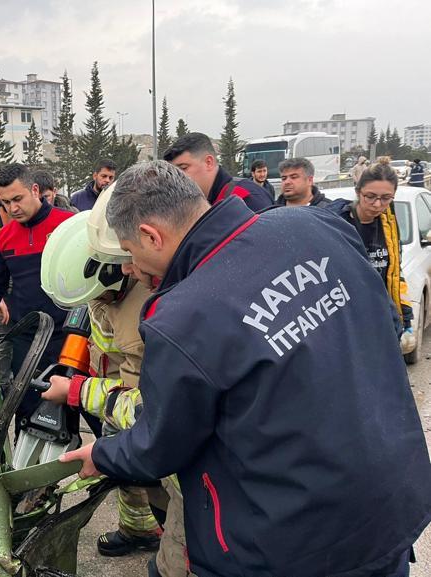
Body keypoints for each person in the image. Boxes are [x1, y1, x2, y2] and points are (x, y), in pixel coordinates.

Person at [61, 160, 431, 577]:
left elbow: (160, 444)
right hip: (390, 505)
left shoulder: (181, 318)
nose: (128, 268)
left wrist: (105, 452)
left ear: (151, 235)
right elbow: (382, 323)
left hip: (289, 546)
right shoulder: (314, 226)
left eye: (129, 252)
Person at [41, 197, 187, 575]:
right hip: (113, 396)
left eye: (95, 297)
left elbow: (150, 410)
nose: (93, 306)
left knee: (169, 500)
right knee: (129, 478)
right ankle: (139, 529)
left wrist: (77, 392)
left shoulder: (150, 313)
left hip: (144, 420)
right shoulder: (103, 297)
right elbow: (103, 343)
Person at [0, 163, 74, 426]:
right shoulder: (4, 237)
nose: (12, 209)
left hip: (67, 334)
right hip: (27, 336)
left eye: (18, 199)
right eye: (5, 202)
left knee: (78, 407)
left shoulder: (67, 225)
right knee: (27, 409)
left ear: (35, 190)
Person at [328, 163, 415, 352]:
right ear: (358, 192)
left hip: (380, 318)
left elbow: (394, 272)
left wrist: (405, 317)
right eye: (370, 197)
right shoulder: (337, 225)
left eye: (386, 198)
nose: (377, 204)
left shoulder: (389, 225)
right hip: (345, 321)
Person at [163, 133, 273, 211]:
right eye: (174, 171)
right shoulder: (197, 204)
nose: (177, 177)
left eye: (183, 168)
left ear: (208, 162)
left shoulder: (247, 198)